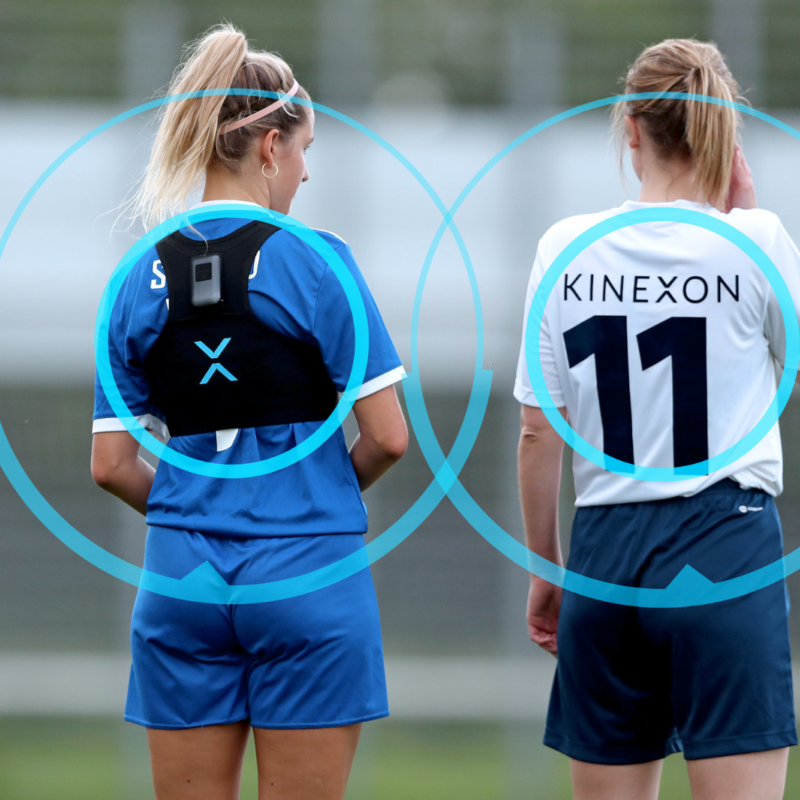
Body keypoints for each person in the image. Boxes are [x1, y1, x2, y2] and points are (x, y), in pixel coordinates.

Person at [91, 23, 408, 800]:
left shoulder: (134, 276)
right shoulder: (317, 259)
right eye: (302, 152)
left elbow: (110, 465)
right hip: (306, 574)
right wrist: (310, 496)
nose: (303, 175)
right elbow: (390, 438)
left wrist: (194, 503)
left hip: (181, 584)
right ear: (270, 147)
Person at [514, 39, 800, 800]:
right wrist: (740, 217)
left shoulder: (562, 248)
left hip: (605, 557)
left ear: (630, 130)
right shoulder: (759, 241)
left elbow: (539, 432)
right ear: (722, 137)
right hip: (725, 544)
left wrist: (548, 569)